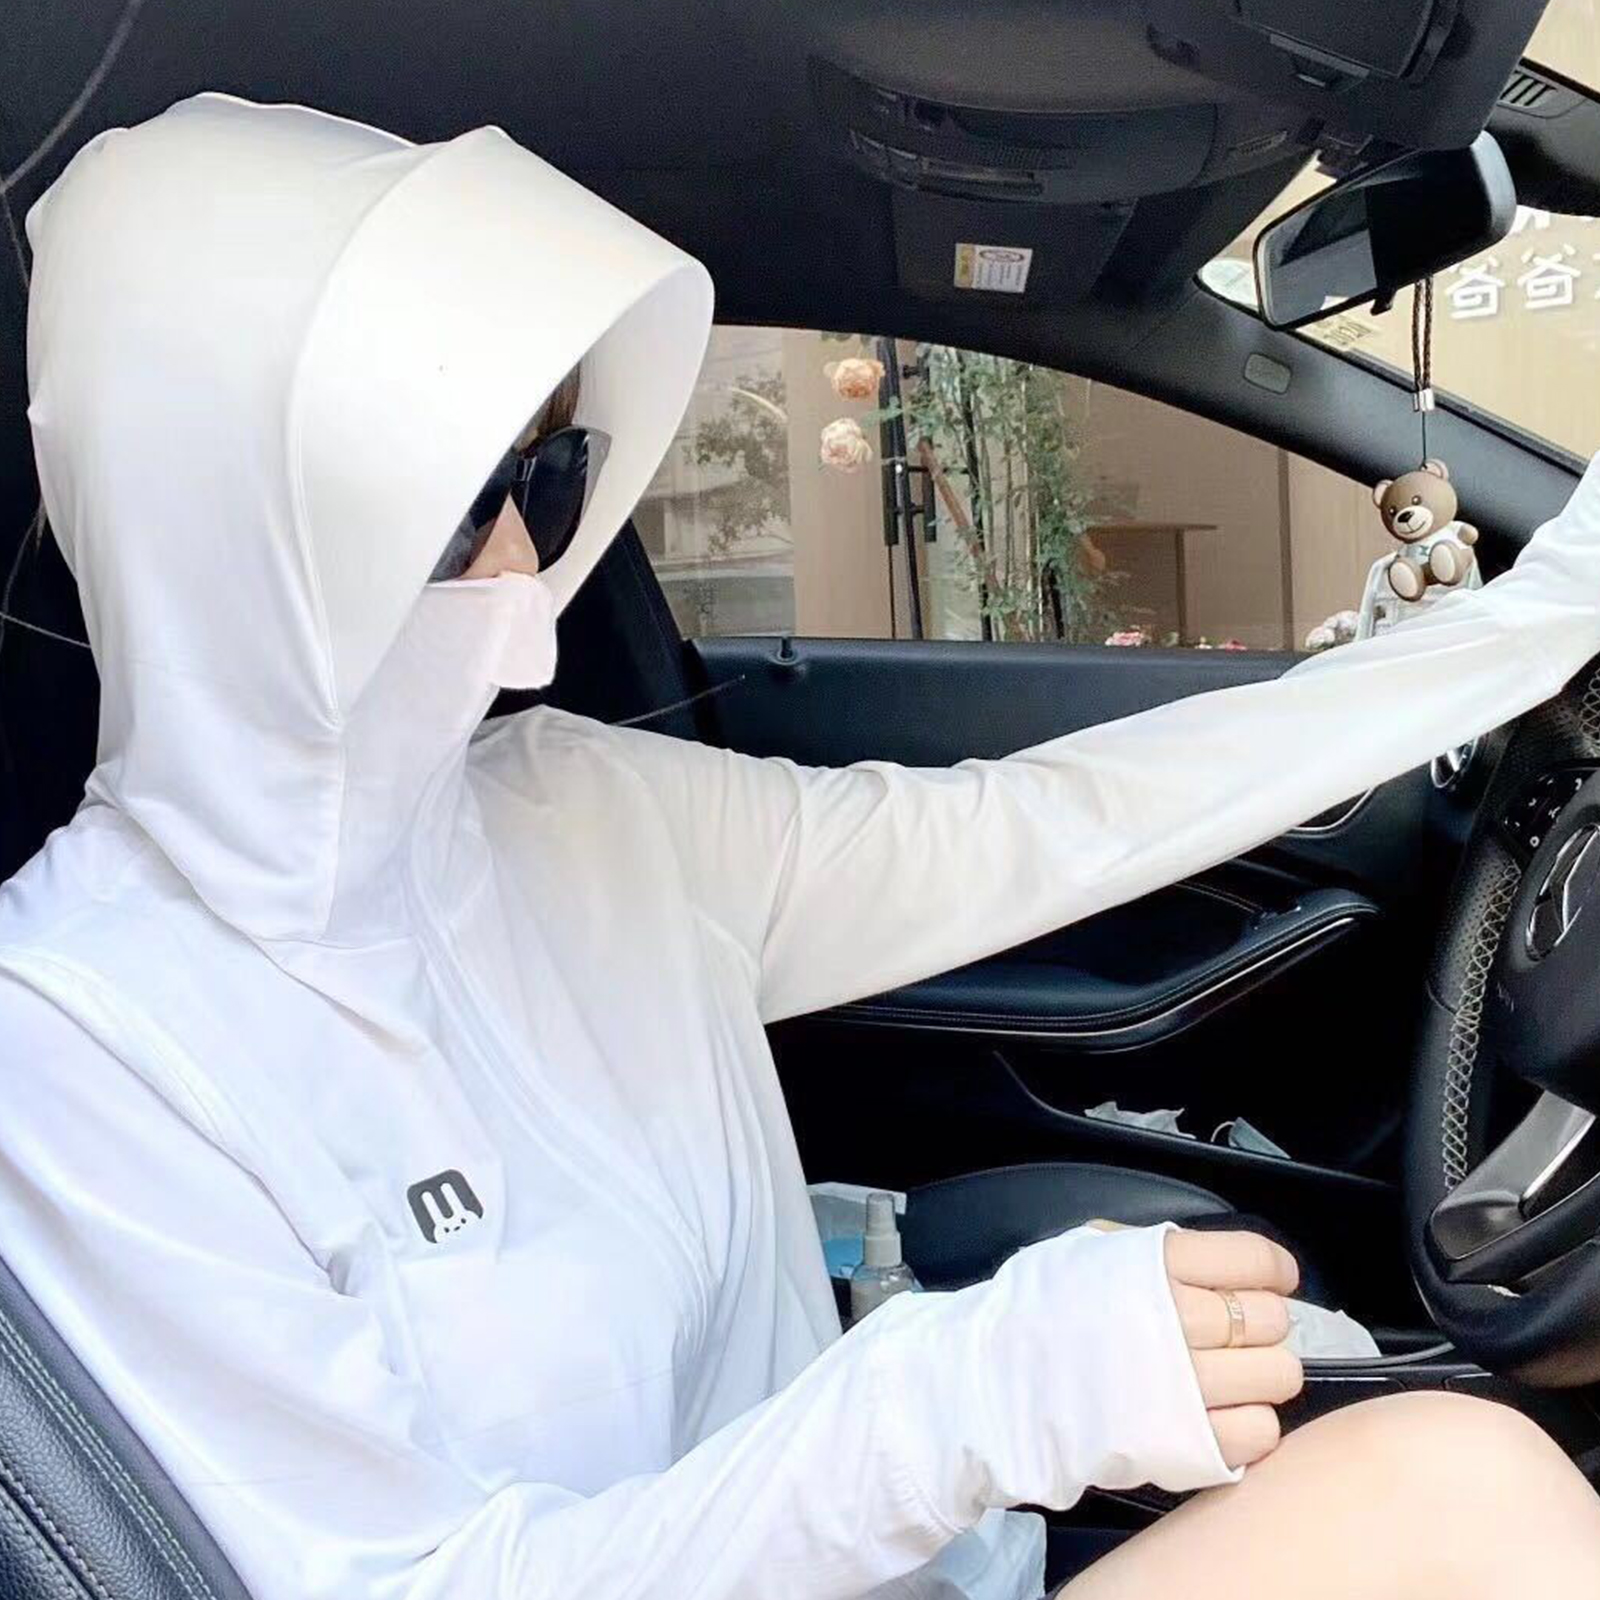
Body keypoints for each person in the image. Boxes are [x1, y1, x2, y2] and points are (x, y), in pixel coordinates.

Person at [0, 91, 1598, 1600]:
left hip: (924, 1569)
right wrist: (958, 1402)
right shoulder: (78, 1048)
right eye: (459, 500)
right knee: (1471, 1489)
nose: (527, 575)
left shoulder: (575, 809)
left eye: (554, 476)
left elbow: (1040, 828)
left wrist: (1530, 627)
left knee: (1452, 1475)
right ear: (223, 523)